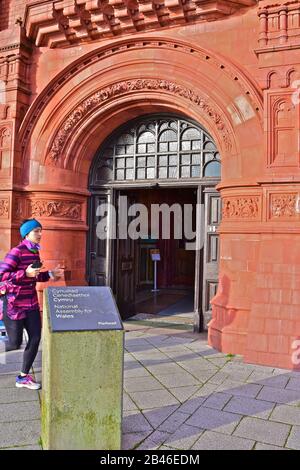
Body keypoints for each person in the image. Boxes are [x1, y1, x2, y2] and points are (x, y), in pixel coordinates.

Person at [0, 219, 64, 390]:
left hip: (31, 302)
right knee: (14, 343)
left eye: (41, 230)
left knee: (36, 338)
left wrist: (50, 274)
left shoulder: (35, 252)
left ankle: (23, 377)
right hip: (14, 304)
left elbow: (34, 276)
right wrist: (24, 273)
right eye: (36, 231)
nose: (40, 234)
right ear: (26, 234)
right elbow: (2, 275)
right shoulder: (17, 252)